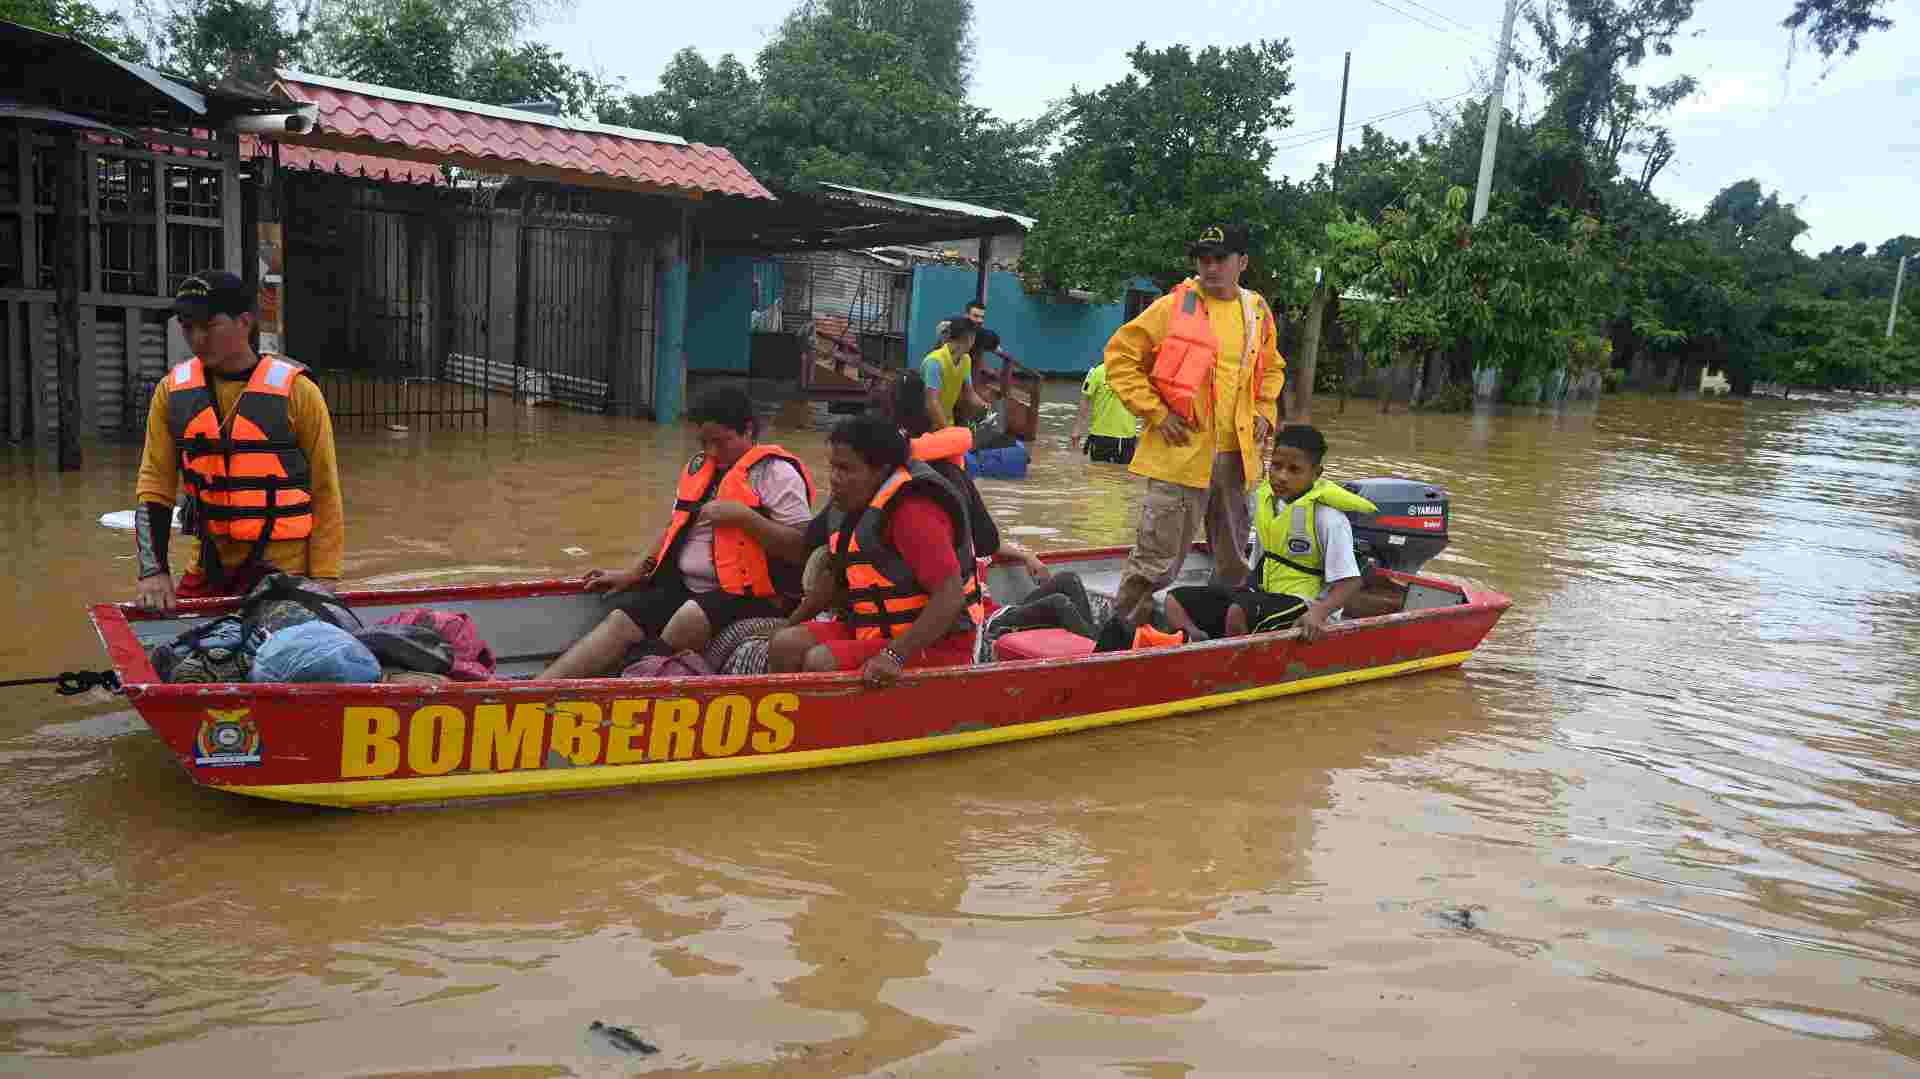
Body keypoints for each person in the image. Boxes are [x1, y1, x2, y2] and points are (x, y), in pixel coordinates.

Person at [542, 386, 814, 678]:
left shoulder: (776, 474)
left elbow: (801, 547)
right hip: (686, 586)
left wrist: (745, 518)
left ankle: (630, 680)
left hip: (752, 596)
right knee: (619, 621)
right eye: (704, 442)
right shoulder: (700, 469)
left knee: (689, 618)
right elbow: (674, 527)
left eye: (721, 442)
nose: (711, 452)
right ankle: (538, 690)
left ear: (747, 430)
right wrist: (634, 572)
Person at [1102, 222, 1285, 627]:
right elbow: (1119, 358)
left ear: (1243, 262)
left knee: (1235, 559)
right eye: (1204, 259)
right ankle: (1119, 633)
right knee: (1156, 560)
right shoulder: (1173, 307)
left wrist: (1264, 412)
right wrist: (1156, 412)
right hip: (1179, 457)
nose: (1211, 267)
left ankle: (1221, 628)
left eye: (1220, 259)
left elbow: (1271, 369)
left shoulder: (1256, 311)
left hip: (1236, 458)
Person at [133, 271, 344, 609]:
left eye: (208, 325)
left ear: (244, 322)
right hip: (208, 569)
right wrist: (153, 570)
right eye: (187, 327)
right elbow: (154, 485)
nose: (197, 338)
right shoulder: (170, 393)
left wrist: (323, 581)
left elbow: (325, 491)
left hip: (283, 573)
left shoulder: (299, 392)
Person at [767, 415, 984, 687]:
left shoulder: (912, 510)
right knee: (784, 644)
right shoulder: (854, 501)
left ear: (880, 470)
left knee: (821, 660)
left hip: (938, 644)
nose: (834, 479)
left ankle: (830, 727)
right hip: (874, 630)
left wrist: (894, 655)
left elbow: (950, 597)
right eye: (832, 467)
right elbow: (834, 579)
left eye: (845, 469)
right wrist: (788, 624)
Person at [1164, 425, 1373, 644]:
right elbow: (1257, 564)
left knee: (1237, 612)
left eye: (1294, 470)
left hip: (1306, 603)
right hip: (1264, 594)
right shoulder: (1268, 505)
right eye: (1276, 466)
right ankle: (1196, 644)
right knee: (1176, 600)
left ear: (1316, 473)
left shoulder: (1329, 519)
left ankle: (1232, 667)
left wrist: (1319, 612)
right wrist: (1238, 594)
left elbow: (1351, 582)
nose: (1282, 476)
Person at [921, 315, 988, 428]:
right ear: (969, 338)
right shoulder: (934, 362)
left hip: (947, 423)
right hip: (927, 427)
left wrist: (986, 407)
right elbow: (932, 402)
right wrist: (948, 431)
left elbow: (970, 394)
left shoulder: (966, 360)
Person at [1073, 359, 1140, 464]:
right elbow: (1085, 399)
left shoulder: (1135, 372)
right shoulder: (1096, 371)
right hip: (1100, 437)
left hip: (1127, 438)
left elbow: (1145, 402)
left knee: (1124, 477)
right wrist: (1077, 429)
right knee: (1097, 475)